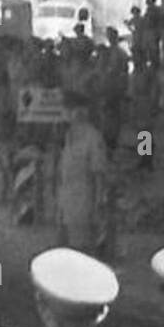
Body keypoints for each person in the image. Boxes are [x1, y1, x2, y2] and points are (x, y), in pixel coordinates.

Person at [56, 93, 109, 255]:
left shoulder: (93, 137)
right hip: (66, 199)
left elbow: (98, 173)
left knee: (81, 250)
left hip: (84, 200)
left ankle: (146, 155)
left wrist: (99, 201)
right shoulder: (68, 135)